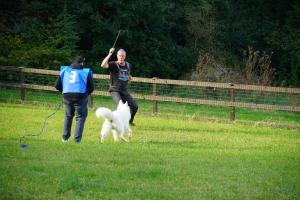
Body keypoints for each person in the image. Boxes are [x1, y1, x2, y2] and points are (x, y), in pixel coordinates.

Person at [55, 56, 94, 143]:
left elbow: (57, 86)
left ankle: (65, 138)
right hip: (80, 96)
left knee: (68, 116)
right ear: (82, 63)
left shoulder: (65, 70)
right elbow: (91, 88)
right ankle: (77, 140)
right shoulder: (85, 71)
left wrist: (65, 91)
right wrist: (86, 94)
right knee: (80, 117)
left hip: (67, 96)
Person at [101, 48, 138, 126]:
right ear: (117, 56)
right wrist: (110, 54)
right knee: (120, 106)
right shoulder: (113, 64)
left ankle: (129, 121)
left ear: (125, 56)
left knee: (134, 106)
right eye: (120, 56)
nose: (121, 57)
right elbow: (103, 65)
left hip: (124, 91)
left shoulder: (128, 65)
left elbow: (127, 73)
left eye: (123, 56)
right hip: (115, 90)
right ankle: (113, 121)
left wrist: (129, 77)